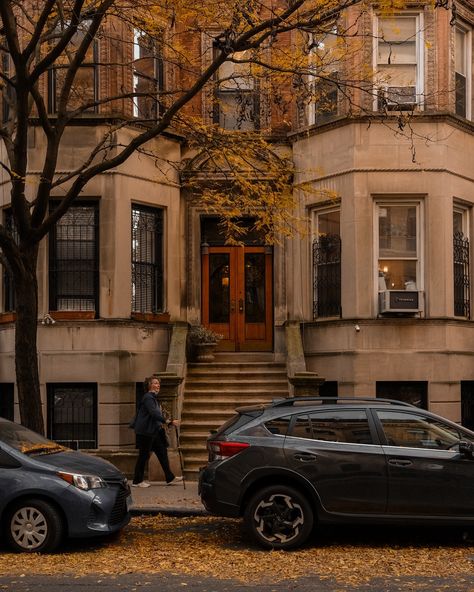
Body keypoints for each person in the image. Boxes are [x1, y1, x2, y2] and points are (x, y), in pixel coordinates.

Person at [131, 376, 183, 488]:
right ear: (149, 385)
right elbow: (154, 413)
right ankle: (137, 481)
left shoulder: (153, 397)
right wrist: (169, 422)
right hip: (146, 432)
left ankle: (170, 477)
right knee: (143, 456)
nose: (158, 385)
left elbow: (156, 414)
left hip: (155, 431)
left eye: (158, 383)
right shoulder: (148, 397)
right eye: (155, 383)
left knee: (162, 453)